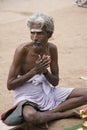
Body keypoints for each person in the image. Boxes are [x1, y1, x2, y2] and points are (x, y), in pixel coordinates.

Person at [1, 13, 87, 128]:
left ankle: (48, 114)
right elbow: (10, 85)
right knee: (31, 116)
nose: (35, 37)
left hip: (47, 91)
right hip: (26, 95)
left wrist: (45, 72)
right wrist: (34, 71)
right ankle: (64, 113)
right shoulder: (22, 50)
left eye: (39, 33)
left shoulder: (52, 48)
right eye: (32, 32)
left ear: (49, 34)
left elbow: (55, 82)